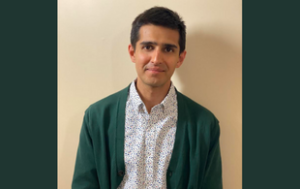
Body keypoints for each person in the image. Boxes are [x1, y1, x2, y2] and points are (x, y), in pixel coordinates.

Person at [72, 6, 222, 189]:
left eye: (168, 49)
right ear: (132, 52)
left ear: (180, 58)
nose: (156, 58)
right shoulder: (97, 117)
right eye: (148, 47)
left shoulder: (205, 124)